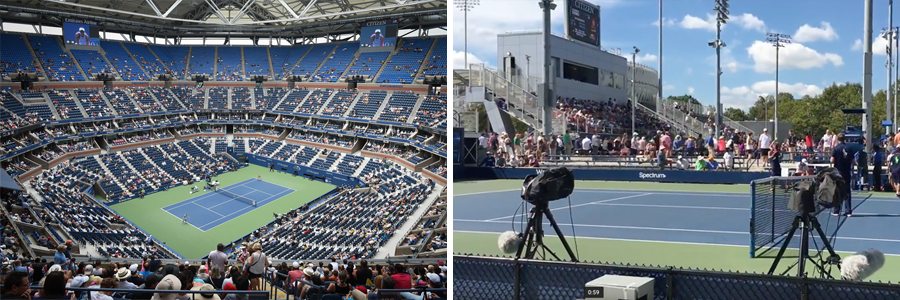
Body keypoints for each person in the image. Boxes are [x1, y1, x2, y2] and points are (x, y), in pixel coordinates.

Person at [831, 133, 854, 216]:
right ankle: (848, 211)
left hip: (838, 172)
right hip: (846, 171)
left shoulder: (836, 148)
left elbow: (832, 160)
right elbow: (852, 160)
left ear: (838, 139)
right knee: (847, 191)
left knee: (837, 191)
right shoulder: (849, 148)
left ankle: (836, 210)